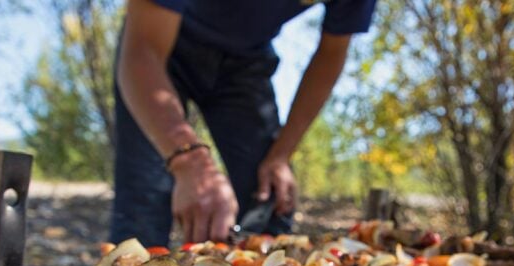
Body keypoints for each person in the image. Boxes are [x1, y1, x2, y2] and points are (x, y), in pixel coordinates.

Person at [111, 0, 377, 245]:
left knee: (270, 199)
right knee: (143, 208)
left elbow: (332, 53)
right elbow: (142, 50)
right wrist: (189, 162)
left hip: (247, 61)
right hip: (160, 46)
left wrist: (281, 154)